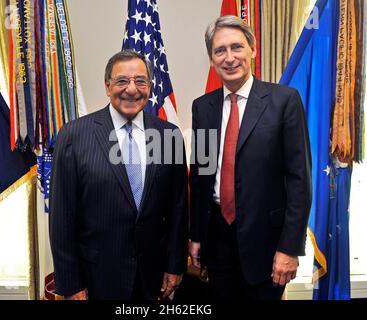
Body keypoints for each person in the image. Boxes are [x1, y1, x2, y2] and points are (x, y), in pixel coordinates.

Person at [189, 15, 312, 300]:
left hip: (267, 244)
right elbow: (201, 174)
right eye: (220, 50)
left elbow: (299, 182)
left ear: (253, 50)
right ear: (211, 58)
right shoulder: (203, 108)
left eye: (237, 47)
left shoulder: (284, 101)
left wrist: (289, 248)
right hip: (217, 238)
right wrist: (196, 235)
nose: (229, 57)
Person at [49, 49, 188, 300]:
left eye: (140, 81)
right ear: (107, 86)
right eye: (122, 80)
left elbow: (177, 209)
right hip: (96, 279)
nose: (131, 89)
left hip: (152, 278)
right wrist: (71, 284)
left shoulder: (170, 136)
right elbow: (62, 218)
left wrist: (175, 265)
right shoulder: (73, 136)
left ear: (150, 86)